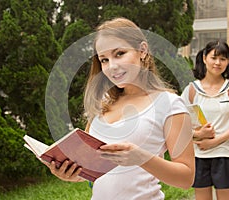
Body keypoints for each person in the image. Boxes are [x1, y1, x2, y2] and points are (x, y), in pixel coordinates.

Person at [44, 17, 195, 199]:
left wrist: (141, 158)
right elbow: (92, 167)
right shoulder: (103, 102)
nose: (112, 66)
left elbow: (186, 178)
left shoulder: (170, 104)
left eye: (119, 53)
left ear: (142, 51)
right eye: (104, 60)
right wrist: (71, 174)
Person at [181, 40, 229, 200]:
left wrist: (213, 141)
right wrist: (199, 135)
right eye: (214, 57)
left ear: (228, 61)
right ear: (204, 58)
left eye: (223, 59)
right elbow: (180, 127)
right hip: (198, 156)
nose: (218, 63)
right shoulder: (190, 90)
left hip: (226, 154)